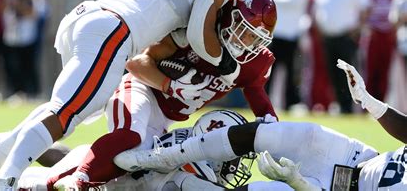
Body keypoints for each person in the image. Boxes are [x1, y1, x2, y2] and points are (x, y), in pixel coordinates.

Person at [0, 0, 251, 190]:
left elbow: (170, 20)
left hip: (89, 17)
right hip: (113, 31)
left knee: (77, 108)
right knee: (66, 113)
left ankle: (2, 149)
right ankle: (5, 179)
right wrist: (228, 65)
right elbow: (200, 29)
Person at [51, 0, 278, 189]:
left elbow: (257, 94)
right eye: (245, 31)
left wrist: (274, 129)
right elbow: (135, 62)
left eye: (256, 38)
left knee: (136, 168)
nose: (249, 42)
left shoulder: (255, 61)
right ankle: (76, 182)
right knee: (131, 138)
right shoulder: (194, 32)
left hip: (166, 117)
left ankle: (57, 167)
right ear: (231, 17)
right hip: (142, 88)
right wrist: (169, 85)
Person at [115, 59, 407, 190]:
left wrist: (300, 184)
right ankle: (162, 157)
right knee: (284, 134)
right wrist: (368, 101)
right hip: (355, 158)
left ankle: (175, 184)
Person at [0, 110, 256, 190]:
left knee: (73, 153)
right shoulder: (193, 175)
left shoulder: (187, 142)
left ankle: (17, 143)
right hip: (92, 184)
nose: (236, 164)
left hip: (101, 164)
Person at [312, 0, 370, 113]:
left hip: (346, 36)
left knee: (349, 74)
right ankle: (340, 104)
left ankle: (353, 106)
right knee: (332, 73)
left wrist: (358, 28)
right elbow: (317, 11)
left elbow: (366, 7)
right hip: (328, 37)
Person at [259, 0, 309, 110]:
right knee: (267, 72)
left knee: (293, 73)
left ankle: (290, 104)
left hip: (292, 34)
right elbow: (264, 3)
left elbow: (299, 2)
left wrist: (280, 2)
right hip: (273, 34)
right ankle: (263, 102)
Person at [362, 0, 397, 102]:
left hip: (387, 35)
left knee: (385, 71)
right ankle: (368, 103)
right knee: (370, 70)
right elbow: (362, 15)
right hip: (373, 35)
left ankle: (382, 102)